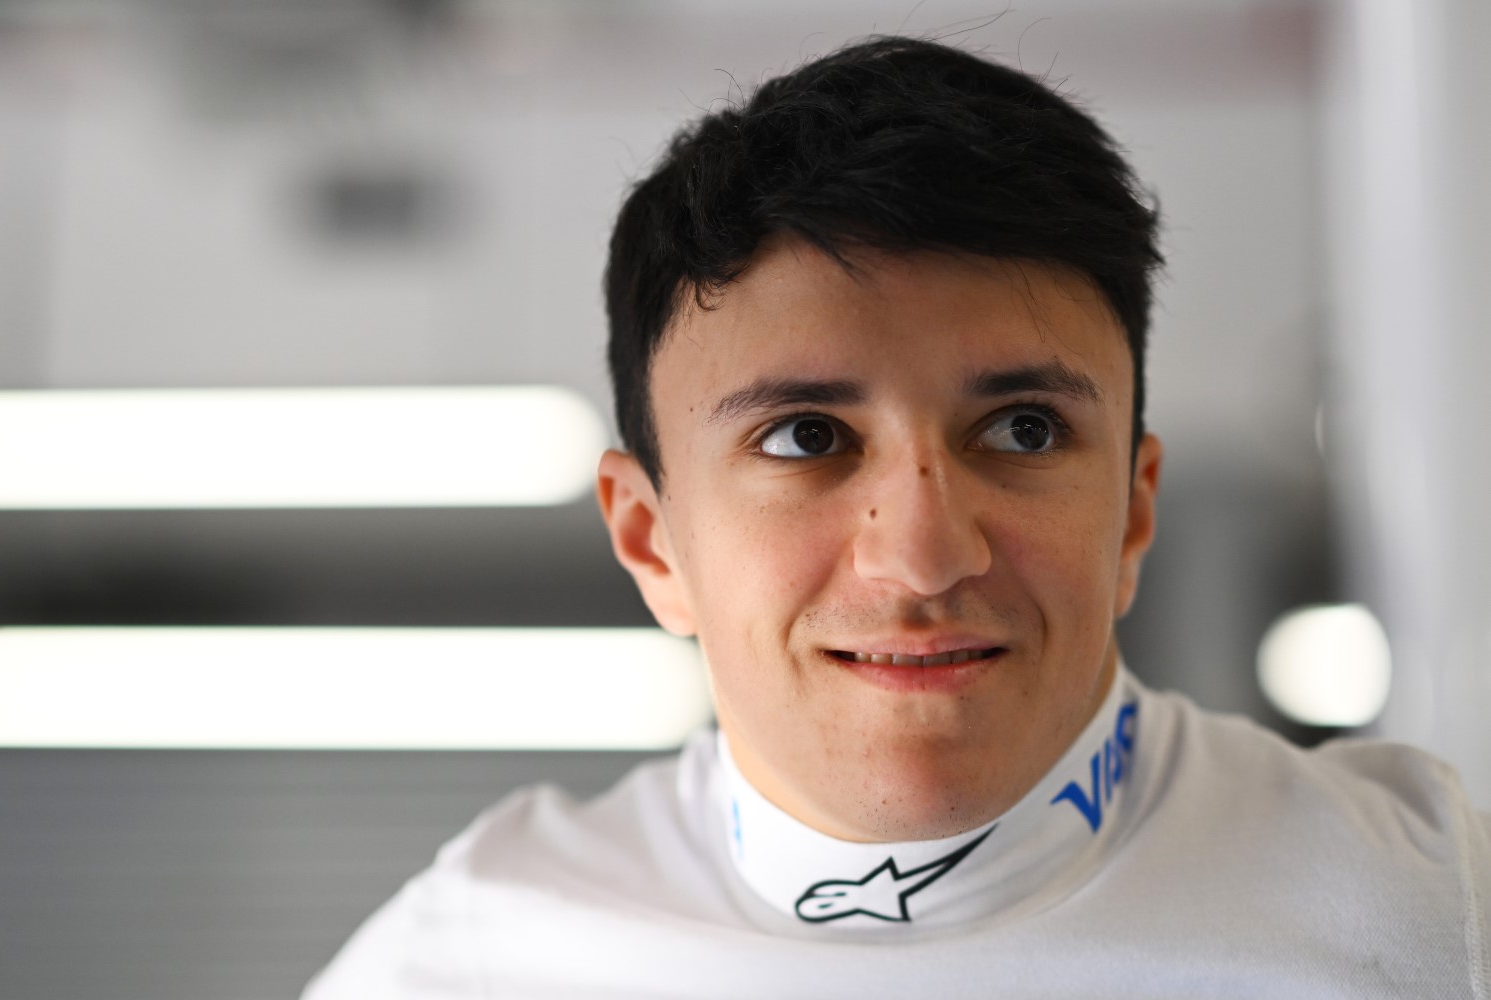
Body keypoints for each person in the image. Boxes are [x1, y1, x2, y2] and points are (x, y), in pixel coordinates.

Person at [303, 36, 1490, 998]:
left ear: (1133, 513)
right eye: (805, 438)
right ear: (651, 542)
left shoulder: (1433, 913)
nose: (922, 557)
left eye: (1023, 429)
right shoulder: (477, 958)